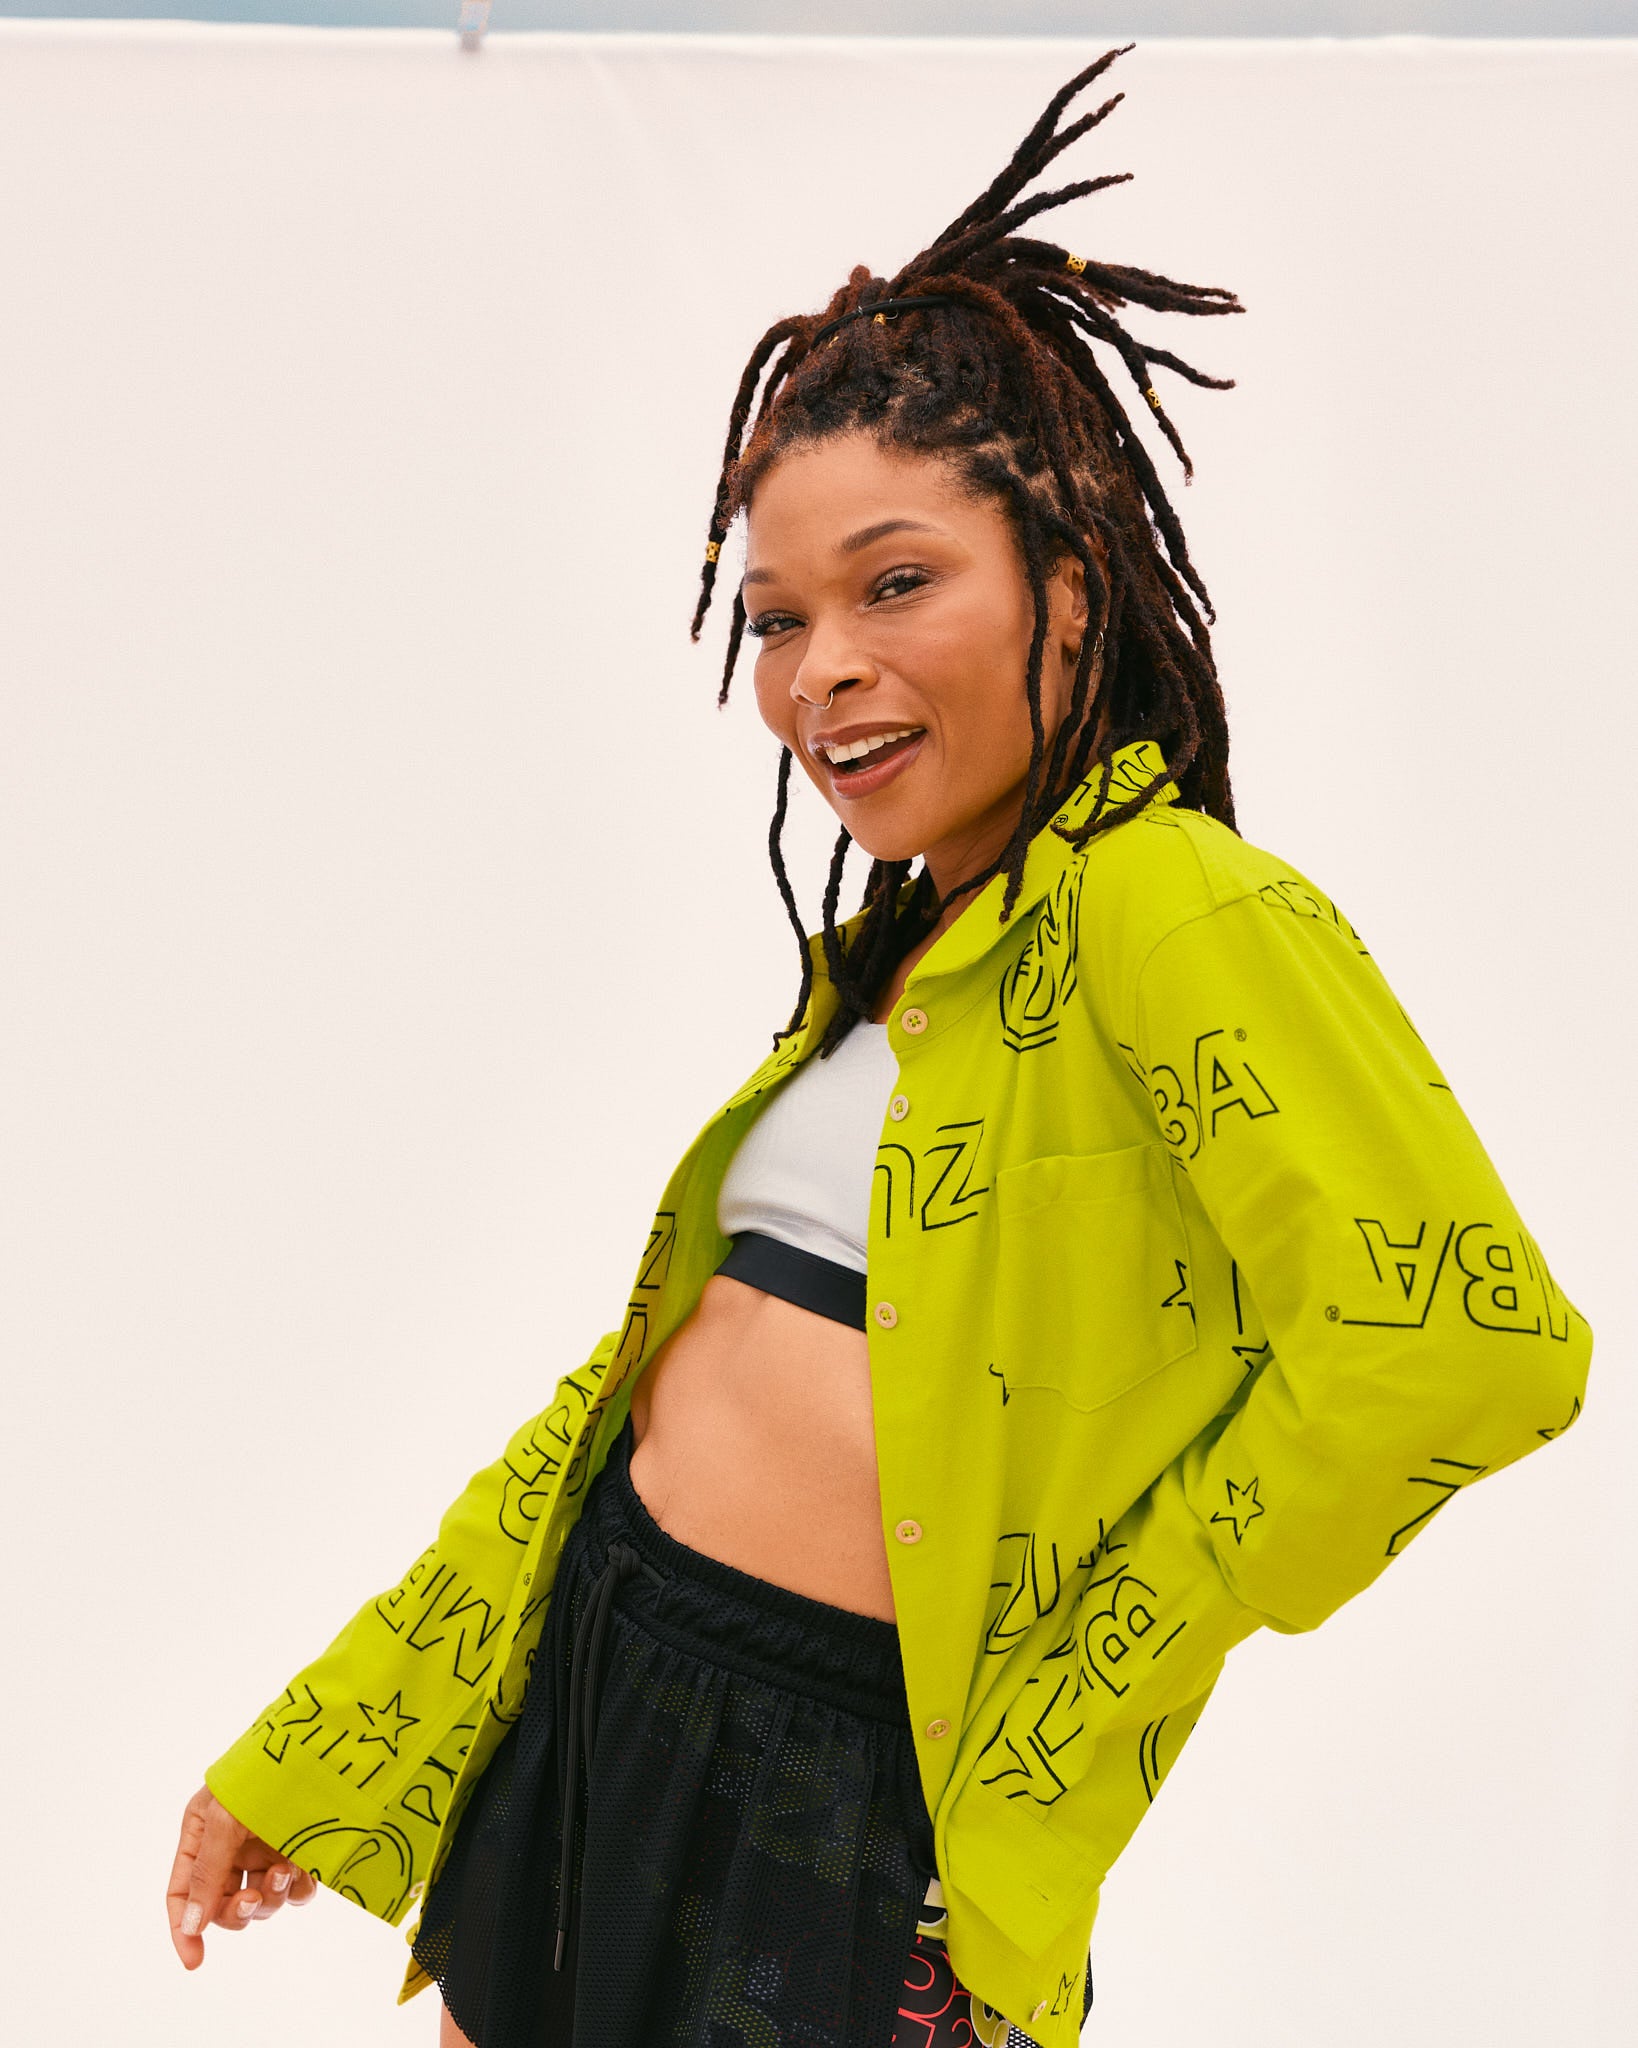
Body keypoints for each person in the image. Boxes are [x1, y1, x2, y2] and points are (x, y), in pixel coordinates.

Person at [164, 45, 1592, 2048]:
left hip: (847, 1794)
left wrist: (1087, 1670)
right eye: (775, 619)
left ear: (1071, 593)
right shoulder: (895, 959)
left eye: (896, 584)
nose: (820, 670)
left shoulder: (1173, 909)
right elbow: (628, 1394)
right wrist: (335, 1732)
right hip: (602, 1681)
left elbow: (1462, 1342)